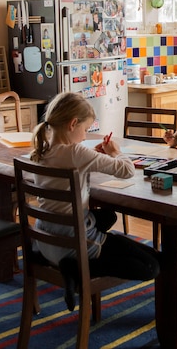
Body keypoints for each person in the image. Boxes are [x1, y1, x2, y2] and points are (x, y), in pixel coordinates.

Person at [28, 91, 159, 310]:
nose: (85, 136)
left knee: (107, 216)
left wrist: (94, 156)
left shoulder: (40, 150)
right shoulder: (77, 152)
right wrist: (115, 151)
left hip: (46, 239)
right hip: (75, 242)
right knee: (152, 265)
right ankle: (76, 268)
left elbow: (74, 157)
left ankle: (69, 263)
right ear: (73, 124)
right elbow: (126, 170)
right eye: (86, 130)